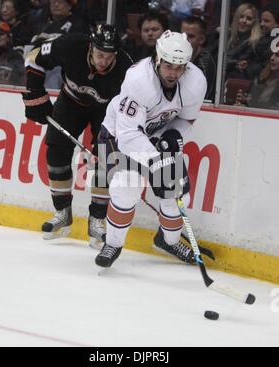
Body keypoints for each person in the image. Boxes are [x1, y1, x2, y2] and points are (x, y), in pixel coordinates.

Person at [94, 30, 207, 268]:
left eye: (180, 68)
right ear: (157, 59)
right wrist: (159, 161)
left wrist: (174, 136)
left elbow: (186, 121)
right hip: (117, 133)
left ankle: (168, 241)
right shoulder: (138, 79)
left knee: (177, 193)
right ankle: (113, 243)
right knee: (127, 185)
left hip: (156, 135)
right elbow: (128, 137)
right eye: (168, 66)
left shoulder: (196, 82)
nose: (174, 73)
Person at [22, 24, 133, 242]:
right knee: (56, 151)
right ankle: (63, 212)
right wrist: (35, 94)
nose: (103, 61)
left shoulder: (127, 70)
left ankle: (97, 220)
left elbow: (130, 107)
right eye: (100, 54)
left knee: (105, 159)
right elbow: (33, 57)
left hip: (107, 111)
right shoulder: (70, 45)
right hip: (70, 102)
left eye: (109, 57)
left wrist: (102, 145)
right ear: (91, 46)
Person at [181, 16, 216, 101]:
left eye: (190, 36)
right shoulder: (175, 54)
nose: (185, 40)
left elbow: (204, 97)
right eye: (183, 35)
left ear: (201, 39)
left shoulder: (206, 62)